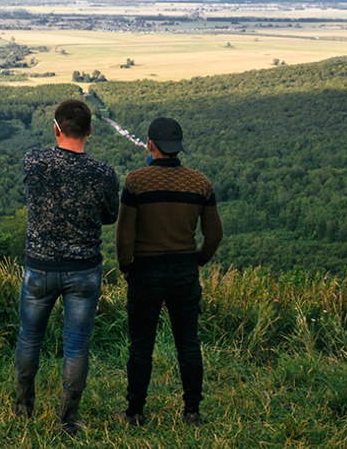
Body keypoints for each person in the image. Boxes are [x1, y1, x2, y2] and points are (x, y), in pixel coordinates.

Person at [13, 99, 120, 435]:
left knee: (29, 339)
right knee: (76, 346)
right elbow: (110, 216)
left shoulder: (34, 159)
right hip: (83, 269)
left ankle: (22, 407)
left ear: (56, 129)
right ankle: (68, 421)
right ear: (89, 130)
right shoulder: (103, 173)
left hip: (39, 266)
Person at [113, 117, 223, 427]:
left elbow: (124, 235)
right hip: (185, 271)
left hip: (146, 271)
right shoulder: (200, 183)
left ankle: (134, 412)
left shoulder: (136, 181)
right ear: (178, 147)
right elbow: (214, 233)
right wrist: (199, 259)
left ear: (150, 145)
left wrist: (126, 267)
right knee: (188, 342)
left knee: (141, 345)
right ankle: (191, 412)